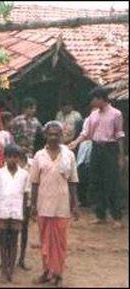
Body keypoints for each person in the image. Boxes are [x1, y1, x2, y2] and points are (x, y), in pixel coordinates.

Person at [31, 121, 80, 287]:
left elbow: (73, 181)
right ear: (45, 135)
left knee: (60, 242)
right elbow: (35, 182)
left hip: (62, 205)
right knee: (45, 240)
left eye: (57, 134)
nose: (53, 137)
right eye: (50, 134)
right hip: (43, 204)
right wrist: (32, 205)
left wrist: (75, 204)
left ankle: (58, 274)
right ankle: (46, 271)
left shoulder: (69, 156)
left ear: (62, 136)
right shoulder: (39, 156)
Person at [69, 87, 125, 229]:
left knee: (112, 183)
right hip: (96, 148)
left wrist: (121, 155)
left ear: (101, 98)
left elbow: (119, 135)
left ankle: (117, 216)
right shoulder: (92, 116)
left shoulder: (116, 114)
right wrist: (75, 142)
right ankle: (100, 215)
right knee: (96, 181)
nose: (92, 102)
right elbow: (86, 133)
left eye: (94, 99)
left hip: (110, 148)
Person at [0, 145, 30, 283]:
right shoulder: (0, 173)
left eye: (15, 157)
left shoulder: (24, 174)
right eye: (9, 156)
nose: (12, 159)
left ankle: (11, 270)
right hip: (3, 210)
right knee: (3, 241)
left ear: (19, 158)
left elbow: (26, 194)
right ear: (5, 158)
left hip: (17, 211)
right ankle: (4, 269)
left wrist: (24, 212)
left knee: (14, 240)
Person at [76, 105, 98, 208]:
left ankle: (93, 200)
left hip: (96, 148)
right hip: (85, 148)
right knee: (83, 176)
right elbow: (84, 134)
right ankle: (83, 200)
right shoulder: (86, 121)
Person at [16, 150, 33, 270]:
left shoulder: (33, 165)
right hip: (12, 202)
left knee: (24, 231)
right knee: (9, 233)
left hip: (26, 203)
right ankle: (8, 258)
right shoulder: (10, 166)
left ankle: (21, 258)